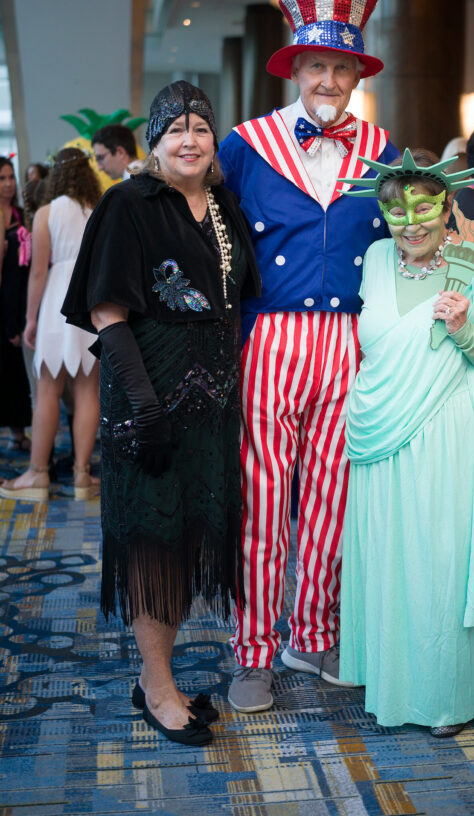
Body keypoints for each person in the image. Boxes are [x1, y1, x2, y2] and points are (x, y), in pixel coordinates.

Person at [219, 0, 399, 714]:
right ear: (294, 70)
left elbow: (406, 240)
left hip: (350, 341)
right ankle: (253, 651)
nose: (329, 78)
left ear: (358, 75)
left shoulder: (387, 149)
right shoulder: (244, 145)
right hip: (270, 339)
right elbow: (215, 242)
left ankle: (313, 633)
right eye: (316, 65)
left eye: (343, 66)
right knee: (263, 502)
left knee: (332, 501)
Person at [62, 82, 261, 747]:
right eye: (174, 129)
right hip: (148, 402)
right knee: (151, 546)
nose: (188, 139)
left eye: (201, 128)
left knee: (182, 542)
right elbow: (106, 313)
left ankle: (160, 677)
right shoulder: (128, 203)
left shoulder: (223, 205)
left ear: (214, 140)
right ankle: (156, 685)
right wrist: (145, 408)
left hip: (211, 410)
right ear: (153, 141)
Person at [338, 149, 474, 735]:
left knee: (444, 567)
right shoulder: (371, 260)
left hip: (456, 437)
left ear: (447, 206)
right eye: (396, 211)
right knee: (395, 562)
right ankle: (400, 679)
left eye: (425, 207)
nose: (411, 222)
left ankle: (450, 693)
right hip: (382, 432)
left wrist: (465, 329)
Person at [0, 148, 102, 501]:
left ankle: (37, 474)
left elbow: (38, 271)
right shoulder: (100, 210)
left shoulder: (46, 211)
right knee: (89, 390)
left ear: (56, 176)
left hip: (58, 301)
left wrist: (30, 320)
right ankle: (82, 476)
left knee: (47, 389)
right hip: (91, 303)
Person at [0, 156, 32, 451]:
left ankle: (17, 432)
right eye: (2, 178)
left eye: (11, 177)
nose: (8, 183)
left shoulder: (22, 215)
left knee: (14, 371)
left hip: (17, 300)